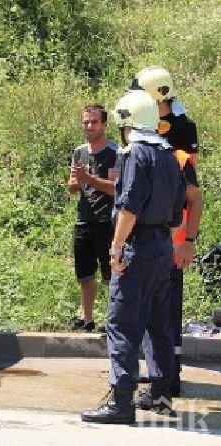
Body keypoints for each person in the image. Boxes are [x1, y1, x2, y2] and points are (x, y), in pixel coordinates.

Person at [81, 89, 186, 424]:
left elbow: (128, 207)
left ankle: (121, 401)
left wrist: (116, 248)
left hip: (137, 246)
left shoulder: (134, 155)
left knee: (123, 323)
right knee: (159, 324)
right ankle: (161, 396)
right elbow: (176, 211)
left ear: (127, 121)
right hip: (161, 247)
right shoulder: (169, 155)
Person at [132, 66, 203, 401]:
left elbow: (192, 192)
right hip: (159, 232)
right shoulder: (146, 129)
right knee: (155, 312)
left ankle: (167, 379)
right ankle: (161, 375)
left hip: (170, 235)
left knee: (165, 312)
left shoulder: (180, 131)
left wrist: (188, 239)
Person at [67, 105, 118, 331]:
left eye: (94, 122)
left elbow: (114, 188)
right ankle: (86, 320)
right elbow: (72, 186)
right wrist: (76, 183)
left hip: (106, 221)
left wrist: (88, 178)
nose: (89, 126)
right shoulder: (79, 152)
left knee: (111, 274)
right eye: (85, 122)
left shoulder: (115, 152)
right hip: (83, 220)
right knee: (85, 274)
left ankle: (113, 321)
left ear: (104, 125)